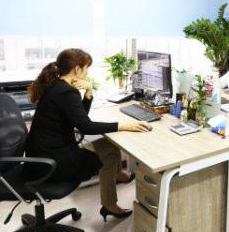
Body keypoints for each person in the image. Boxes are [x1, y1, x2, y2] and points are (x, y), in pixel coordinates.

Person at [25, 48, 151, 221]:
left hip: (43, 155)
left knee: (110, 145)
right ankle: (109, 204)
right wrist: (125, 126)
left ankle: (118, 175)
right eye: (86, 68)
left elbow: (80, 118)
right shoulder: (66, 92)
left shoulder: (57, 85)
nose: (87, 72)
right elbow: (86, 127)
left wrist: (88, 92)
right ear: (77, 69)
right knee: (108, 154)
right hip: (52, 163)